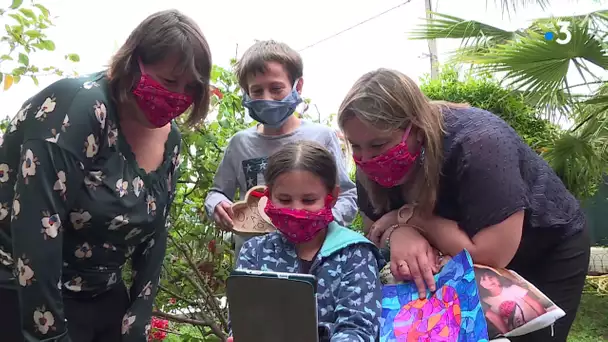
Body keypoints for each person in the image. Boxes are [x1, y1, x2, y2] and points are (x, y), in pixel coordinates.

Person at [0, 9, 212, 342]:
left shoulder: (170, 140)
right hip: (23, 292)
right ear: (134, 63)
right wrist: (49, 337)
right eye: (170, 82)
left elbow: (156, 236)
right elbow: (37, 227)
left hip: (102, 293)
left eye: (191, 88)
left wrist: (136, 323)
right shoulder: (78, 107)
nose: (178, 97)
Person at [337, 68, 590, 342]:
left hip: (543, 248)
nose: (367, 158)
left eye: (378, 144)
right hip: (454, 254)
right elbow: (375, 229)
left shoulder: (480, 143)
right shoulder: (368, 161)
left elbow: (492, 255)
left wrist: (410, 219)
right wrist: (399, 233)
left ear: (416, 128)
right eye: (356, 146)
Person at [203, 40, 357, 255]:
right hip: (254, 262)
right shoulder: (240, 144)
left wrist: (322, 223)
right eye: (257, 91)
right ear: (246, 93)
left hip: (315, 258)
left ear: (298, 86)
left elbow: (347, 195)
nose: (267, 98)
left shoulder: (321, 136)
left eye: (276, 88)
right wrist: (217, 205)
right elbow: (217, 192)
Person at [229, 141, 383, 342]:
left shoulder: (356, 253)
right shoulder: (254, 253)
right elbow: (243, 323)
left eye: (309, 200)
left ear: (332, 197)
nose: (296, 209)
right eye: (284, 200)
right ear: (267, 196)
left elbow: (358, 329)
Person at [476, 268, 547, 334]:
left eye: (491, 277)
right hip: (517, 332)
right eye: (484, 279)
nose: (489, 281)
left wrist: (545, 317)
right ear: (480, 284)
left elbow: (533, 302)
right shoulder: (486, 301)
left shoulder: (512, 288)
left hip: (536, 322)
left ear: (497, 277)